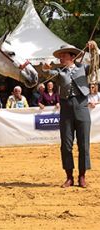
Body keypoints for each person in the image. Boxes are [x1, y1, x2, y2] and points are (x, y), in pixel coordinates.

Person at [42, 42, 97, 188]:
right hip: (66, 110)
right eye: (60, 55)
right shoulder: (60, 72)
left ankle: (82, 176)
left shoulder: (83, 68)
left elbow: (97, 63)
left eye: (63, 55)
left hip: (82, 107)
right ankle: (69, 177)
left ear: (72, 56)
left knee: (83, 144)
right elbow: (47, 74)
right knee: (66, 145)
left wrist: (94, 49)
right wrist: (45, 68)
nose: (60, 57)